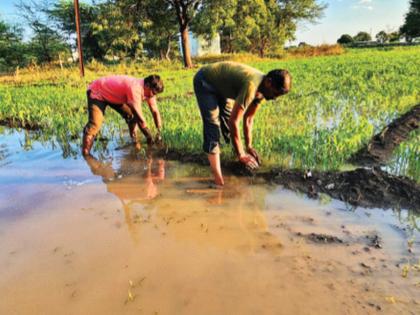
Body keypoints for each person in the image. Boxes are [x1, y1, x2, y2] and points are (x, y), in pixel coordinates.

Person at [193, 61, 291, 186]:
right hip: (205, 81)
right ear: (269, 82)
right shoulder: (252, 86)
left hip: (221, 85)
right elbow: (234, 122)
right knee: (212, 125)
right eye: (276, 93)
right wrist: (241, 153)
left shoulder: (261, 92)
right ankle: (218, 180)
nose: (275, 98)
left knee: (227, 118)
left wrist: (248, 146)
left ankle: (231, 162)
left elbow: (248, 118)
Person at [82, 74, 164, 156]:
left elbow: (155, 111)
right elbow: (140, 118)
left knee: (131, 116)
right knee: (95, 124)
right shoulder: (135, 88)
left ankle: (134, 140)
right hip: (97, 92)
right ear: (147, 85)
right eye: (153, 93)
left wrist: (159, 133)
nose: (153, 96)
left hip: (114, 96)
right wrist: (149, 137)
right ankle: (86, 154)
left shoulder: (150, 92)